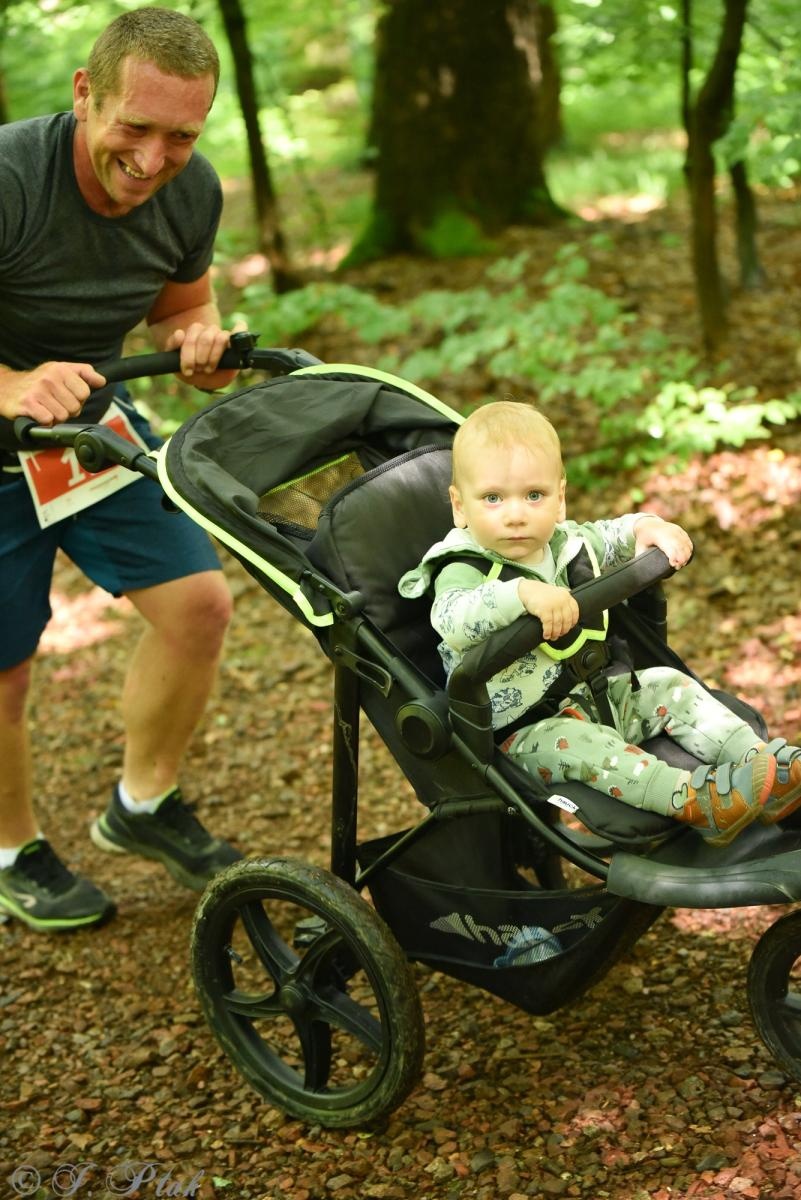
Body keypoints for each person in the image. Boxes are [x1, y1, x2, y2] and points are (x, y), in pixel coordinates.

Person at [0, 8, 246, 933]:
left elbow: (183, 314)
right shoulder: (10, 179)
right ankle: (12, 850)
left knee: (198, 608)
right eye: (135, 127)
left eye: (181, 136)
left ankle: (142, 804)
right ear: (84, 94)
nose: (152, 159)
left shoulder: (191, 191)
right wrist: (13, 385)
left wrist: (202, 348)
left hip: (86, 431)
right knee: (4, 671)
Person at [399, 401, 801, 846]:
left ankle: (764, 769)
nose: (515, 514)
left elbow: (610, 536)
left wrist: (647, 527)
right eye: (493, 498)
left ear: (560, 498)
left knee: (668, 684)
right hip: (525, 734)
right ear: (460, 506)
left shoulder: (565, 542)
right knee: (586, 746)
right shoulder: (463, 566)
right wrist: (520, 595)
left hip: (597, 697)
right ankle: (692, 800)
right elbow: (453, 619)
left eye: (534, 496)